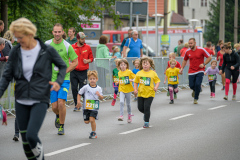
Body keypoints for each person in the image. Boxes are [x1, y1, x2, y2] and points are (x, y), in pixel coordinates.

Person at [0, 18, 66, 160]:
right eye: (16, 37)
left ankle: (40, 156)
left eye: (20, 37)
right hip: (21, 98)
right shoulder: (16, 51)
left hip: (40, 98)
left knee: (31, 135)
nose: (18, 40)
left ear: (30, 34)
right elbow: (6, 76)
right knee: (25, 142)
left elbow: (62, 66)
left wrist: (58, 82)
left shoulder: (46, 50)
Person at [45, 23, 78, 135]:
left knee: (61, 103)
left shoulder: (68, 46)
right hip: (51, 80)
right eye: (55, 32)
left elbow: (75, 62)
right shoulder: (47, 44)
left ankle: (62, 126)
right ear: (52, 32)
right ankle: (58, 116)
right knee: (54, 106)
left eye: (59, 32)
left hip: (64, 79)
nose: (57, 34)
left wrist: (65, 71)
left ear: (63, 32)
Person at [180, 38, 212, 104]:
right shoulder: (187, 51)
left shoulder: (201, 49)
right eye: (189, 43)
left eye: (191, 43)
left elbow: (209, 57)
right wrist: (182, 68)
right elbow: (185, 60)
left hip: (200, 70)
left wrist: (204, 64)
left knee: (197, 84)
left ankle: (196, 98)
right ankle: (195, 90)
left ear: (195, 43)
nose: (190, 45)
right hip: (191, 71)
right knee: (191, 85)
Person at [76, 70, 103, 139]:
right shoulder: (86, 87)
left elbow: (102, 98)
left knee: (92, 120)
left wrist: (99, 95)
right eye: (91, 79)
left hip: (94, 107)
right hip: (86, 107)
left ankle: (93, 132)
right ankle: (92, 130)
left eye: (94, 79)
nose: (92, 80)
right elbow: (79, 94)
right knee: (86, 121)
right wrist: (78, 102)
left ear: (97, 79)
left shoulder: (99, 88)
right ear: (88, 79)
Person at [134, 57, 160, 128]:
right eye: (143, 63)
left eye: (147, 63)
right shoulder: (139, 73)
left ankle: (146, 122)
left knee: (147, 107)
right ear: (141, 65)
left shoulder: (153, 73)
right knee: (140, 108)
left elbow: (157, 81)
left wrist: (156, 87)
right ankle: (146, 114)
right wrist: (135, 89)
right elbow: (135, 82)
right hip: (141, 93)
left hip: (150, 93)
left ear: (150, 65)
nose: (145, 65)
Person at [71, 32, 94, 112]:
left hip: (83, 71)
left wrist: (87, 60)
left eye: (84, 38)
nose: (83, 40)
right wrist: (69, 63)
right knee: (74, 88)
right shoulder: (72, 47)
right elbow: (67, 57)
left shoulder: (87, 47)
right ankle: (77, 105)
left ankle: (85, 104)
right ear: (78, 39)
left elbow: (91, 58)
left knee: (82, 88)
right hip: (73, 70)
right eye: (82, 39)